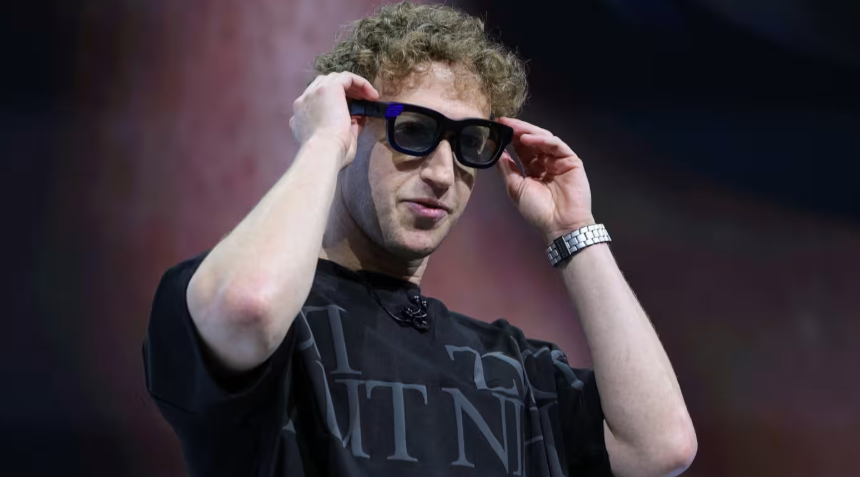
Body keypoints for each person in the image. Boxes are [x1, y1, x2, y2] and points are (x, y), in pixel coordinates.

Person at [143, 2, 697, 476]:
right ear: (352, 125)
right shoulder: (240, 303)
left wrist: (573, 229)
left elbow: (661, 446)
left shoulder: (512, 367)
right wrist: (322, 144)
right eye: (412, 130)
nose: (441, 173)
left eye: (470, 142)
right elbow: (248, 308)